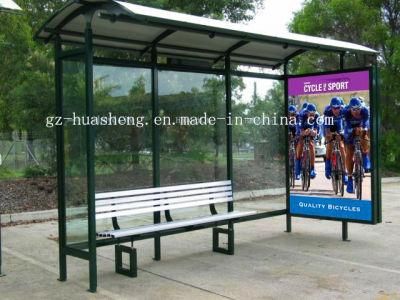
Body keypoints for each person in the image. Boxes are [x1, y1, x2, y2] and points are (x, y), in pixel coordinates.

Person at [343, 97, 371, 193]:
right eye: (354, 109)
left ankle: (365, 156)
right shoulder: (346, 112)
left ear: (361, 107)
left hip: (360, 126)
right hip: (349, 128)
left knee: (364, 135)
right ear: (350, 108)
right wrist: (352, 131)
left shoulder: (365, 111)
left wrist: (363, 129)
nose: (356, 111)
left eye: (358, 109)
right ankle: (350, 179)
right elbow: (346, 126)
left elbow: (366, 124)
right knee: (350, 152)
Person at [324, 97, 347, 181]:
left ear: (341, 107)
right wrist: (329, 134)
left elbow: (346, 125)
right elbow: (327, 129)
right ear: (331, 107)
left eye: (338, 108)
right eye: (334, 108)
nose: (336, 110)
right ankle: (327, 166)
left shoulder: (344, 110)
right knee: (329, 144)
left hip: (339, 126)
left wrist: (344, 133)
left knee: (341, 146)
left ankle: (344, 172)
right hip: (330, 126)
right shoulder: (327, 111)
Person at [296, 103, 319, 179]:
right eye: (310, 114)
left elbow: (316, 131)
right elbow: (300, 131)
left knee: (311, 145)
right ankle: (298, 167)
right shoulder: (302, 115)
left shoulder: (317, 116)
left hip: (310, 130)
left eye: (313, 114)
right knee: (300, 143)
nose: (312, 116)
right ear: (307, 112)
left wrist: (313, 132)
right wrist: (304, 132)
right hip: (302, 129)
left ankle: (312, 168)